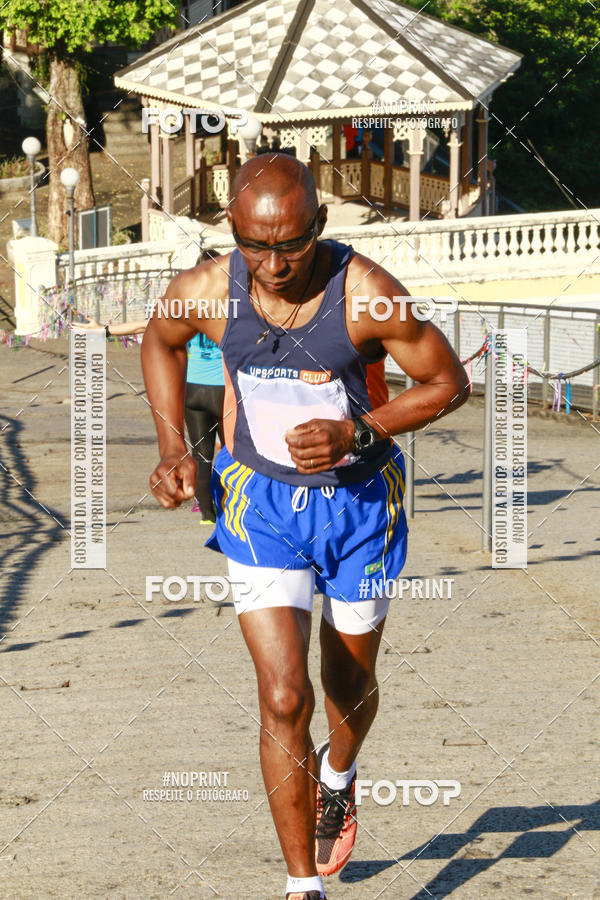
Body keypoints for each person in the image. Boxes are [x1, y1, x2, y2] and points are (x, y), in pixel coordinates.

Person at [141, 154, 469, 900]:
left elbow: (448, 382)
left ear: (319, 225)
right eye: (256, 245)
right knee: (284, 697)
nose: (274, 262)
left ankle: (340, 774)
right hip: (259, 505)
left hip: (359, 508)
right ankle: (301, 888)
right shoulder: (205, 291)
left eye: (291, 243)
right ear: (233, 230)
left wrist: (359, 431)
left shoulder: (367, 295)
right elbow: (158, 342)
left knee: (347, 684)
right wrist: (173, 448)